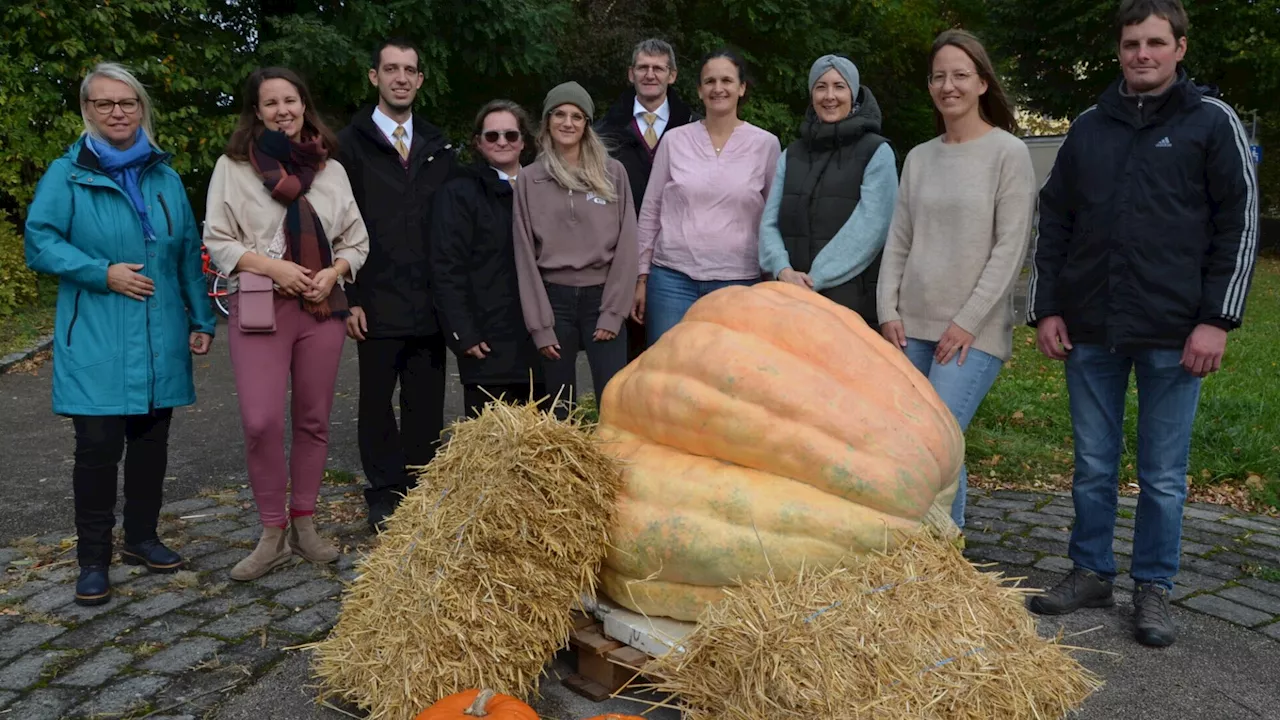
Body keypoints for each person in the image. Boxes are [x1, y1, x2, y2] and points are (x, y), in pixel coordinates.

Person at [1025, 0, 1258, 648]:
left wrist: (1217, 320)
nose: (1143, 54)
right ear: (1119, 51)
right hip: (1091, 329)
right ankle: (1091, 571)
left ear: (1180, 47)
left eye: (1156, 42)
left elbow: (1239, 225)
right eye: (1132, 44)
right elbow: (1055, 224)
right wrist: (1046, 306)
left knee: (1160, 475)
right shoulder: (1089, 128)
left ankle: (1152, 587)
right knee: (1093, 465)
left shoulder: (1212, 122)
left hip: (1175, 335)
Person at [23, 62, 217, 607]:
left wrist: (201, 318)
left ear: (141, 108)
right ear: (87, 110)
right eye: (104, 103)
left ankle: (141, 538)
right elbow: (39, 242)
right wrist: (100, 271)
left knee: (151, 443)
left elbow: (185, 254)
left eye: (126, 102)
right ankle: (92, 559)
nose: (116, 112)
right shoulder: (67, 174)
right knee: (98, 447)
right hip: (98, 336)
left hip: (160, 334)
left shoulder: (165, 176)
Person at [203, 66, 369, 581]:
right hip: (260, 305)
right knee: (261, 421)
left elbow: (356, 240)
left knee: (314, 419)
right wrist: (272, 266)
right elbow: (216, 238)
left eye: (291, 101)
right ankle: (271, 532)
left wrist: (335, 271)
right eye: (270, 103)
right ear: (257, 111)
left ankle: (304, 524)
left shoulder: (331, 171)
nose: (282, 111)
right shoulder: (233, 168)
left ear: (304, 106)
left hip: (320, 310)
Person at [876, 30, 1037, 530]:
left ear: (983, 83)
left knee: (937, 441)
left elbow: (1010, 250)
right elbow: (898, 239)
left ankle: (943, 555)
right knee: (918, 443)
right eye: (940, 76)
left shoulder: (1008, 154)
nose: (949, 85)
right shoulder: (920, 157)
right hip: (911, 327)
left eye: (961, 75)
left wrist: (966, 322)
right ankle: (937, 551)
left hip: (973, 330)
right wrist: (887, 310)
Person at [335, 38, 459, 532]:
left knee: (426, 399)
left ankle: (421, 484)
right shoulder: (348, 144)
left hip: (430, 299)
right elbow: (336, 225)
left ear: (420, 80)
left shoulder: (438, 144)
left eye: (410, 70)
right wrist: (349, 298)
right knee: (376, 400)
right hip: (375, 296)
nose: (401, 78)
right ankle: (384, 491)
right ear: (374, 77)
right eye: (391, 69)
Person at [632, 49, 781, 345]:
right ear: (700, 91)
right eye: (709, 81)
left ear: (741, 88)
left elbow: (773, 217)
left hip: (738, 281)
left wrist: (772, 276)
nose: (718, 88)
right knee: (667, 371)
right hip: (672, 280)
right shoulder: (674, 140)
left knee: (728, 375)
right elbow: (651, 210)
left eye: (727, 80)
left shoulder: (766, 145)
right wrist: (641, 275)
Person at [512, 81, 638, 420]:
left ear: (587, 124)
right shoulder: (529, 178)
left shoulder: (613, 174)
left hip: (602, 296)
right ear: (547, 121)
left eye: (577, 116)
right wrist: (539, 325)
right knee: (559, 406)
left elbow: (628, 245)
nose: (568, 123)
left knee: (613, 400)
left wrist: (615, 311)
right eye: (560, 114)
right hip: (555, 300)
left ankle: (614, 468)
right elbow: (524, 255)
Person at [759, 54, 899, 324]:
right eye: (821, 86)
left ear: (854, 93)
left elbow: (872, 227)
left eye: (839, 86)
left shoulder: (876, 152)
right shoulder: (792, 154)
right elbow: (769, 222)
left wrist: (815, 280)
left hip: (850, 303)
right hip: (789, 298)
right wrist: (783, 269)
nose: (829, 96)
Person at [430, 100, 545, 417]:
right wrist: (462, 331)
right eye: (492, 136)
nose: (502, 142)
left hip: (542, 339)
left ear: (524, 140)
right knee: (493, 445)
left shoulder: (544, 187)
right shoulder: (459, 192)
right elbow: (446, 268)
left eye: (510, 134)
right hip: (488, 342)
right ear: (478, 142)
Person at [596, 38, 699, 361]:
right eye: (643, 67)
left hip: (681, 257)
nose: (650, 74)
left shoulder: (696, 128)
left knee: (679, 352)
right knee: (628, 354)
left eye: (658, 68)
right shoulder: (604, 134)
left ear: (673, 75)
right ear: (631, 74)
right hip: (621, 255)